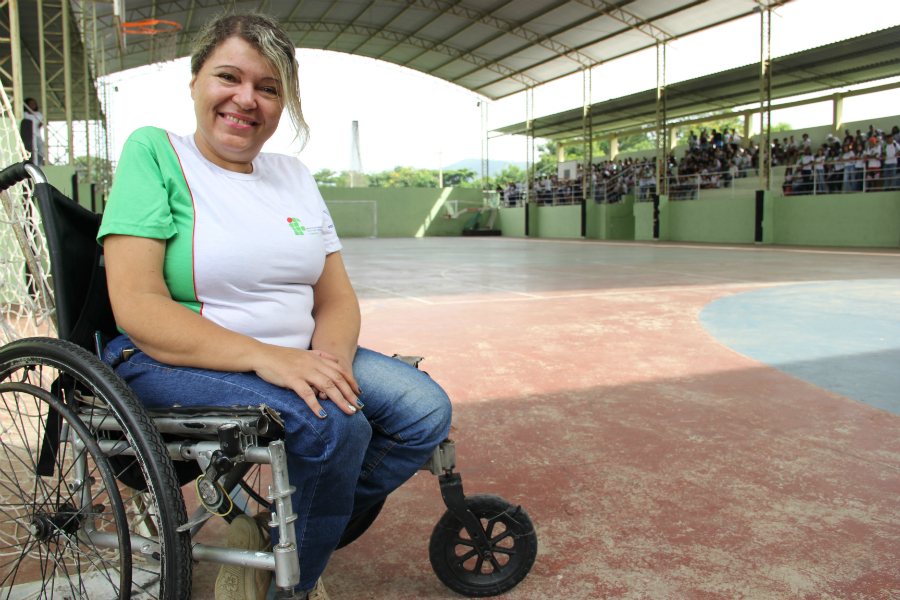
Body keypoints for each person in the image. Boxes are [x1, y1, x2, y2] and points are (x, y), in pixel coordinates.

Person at [96, 13, 452, 600]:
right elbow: (137, 305)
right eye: (229, 77)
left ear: (282, 103)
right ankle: (295, 584)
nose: (246, 99)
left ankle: (277, 534)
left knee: (422, 411)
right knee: (334, 425)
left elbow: (335, 297)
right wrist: (268, 359)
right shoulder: (156, 153)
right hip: (174, 355)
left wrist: (329, 363)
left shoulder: (293, 174)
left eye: (267, 88)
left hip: (291, 353)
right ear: (195, 82)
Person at [19, 98, 45, 166]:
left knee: (41, 151)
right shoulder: (24, 114)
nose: (33, 105)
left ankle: (38, 165)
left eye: (34, 103)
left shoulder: (38, 114)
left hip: (37, 135)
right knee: (31, 151)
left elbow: (41, 124)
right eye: (31, 104)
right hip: (28, 136)